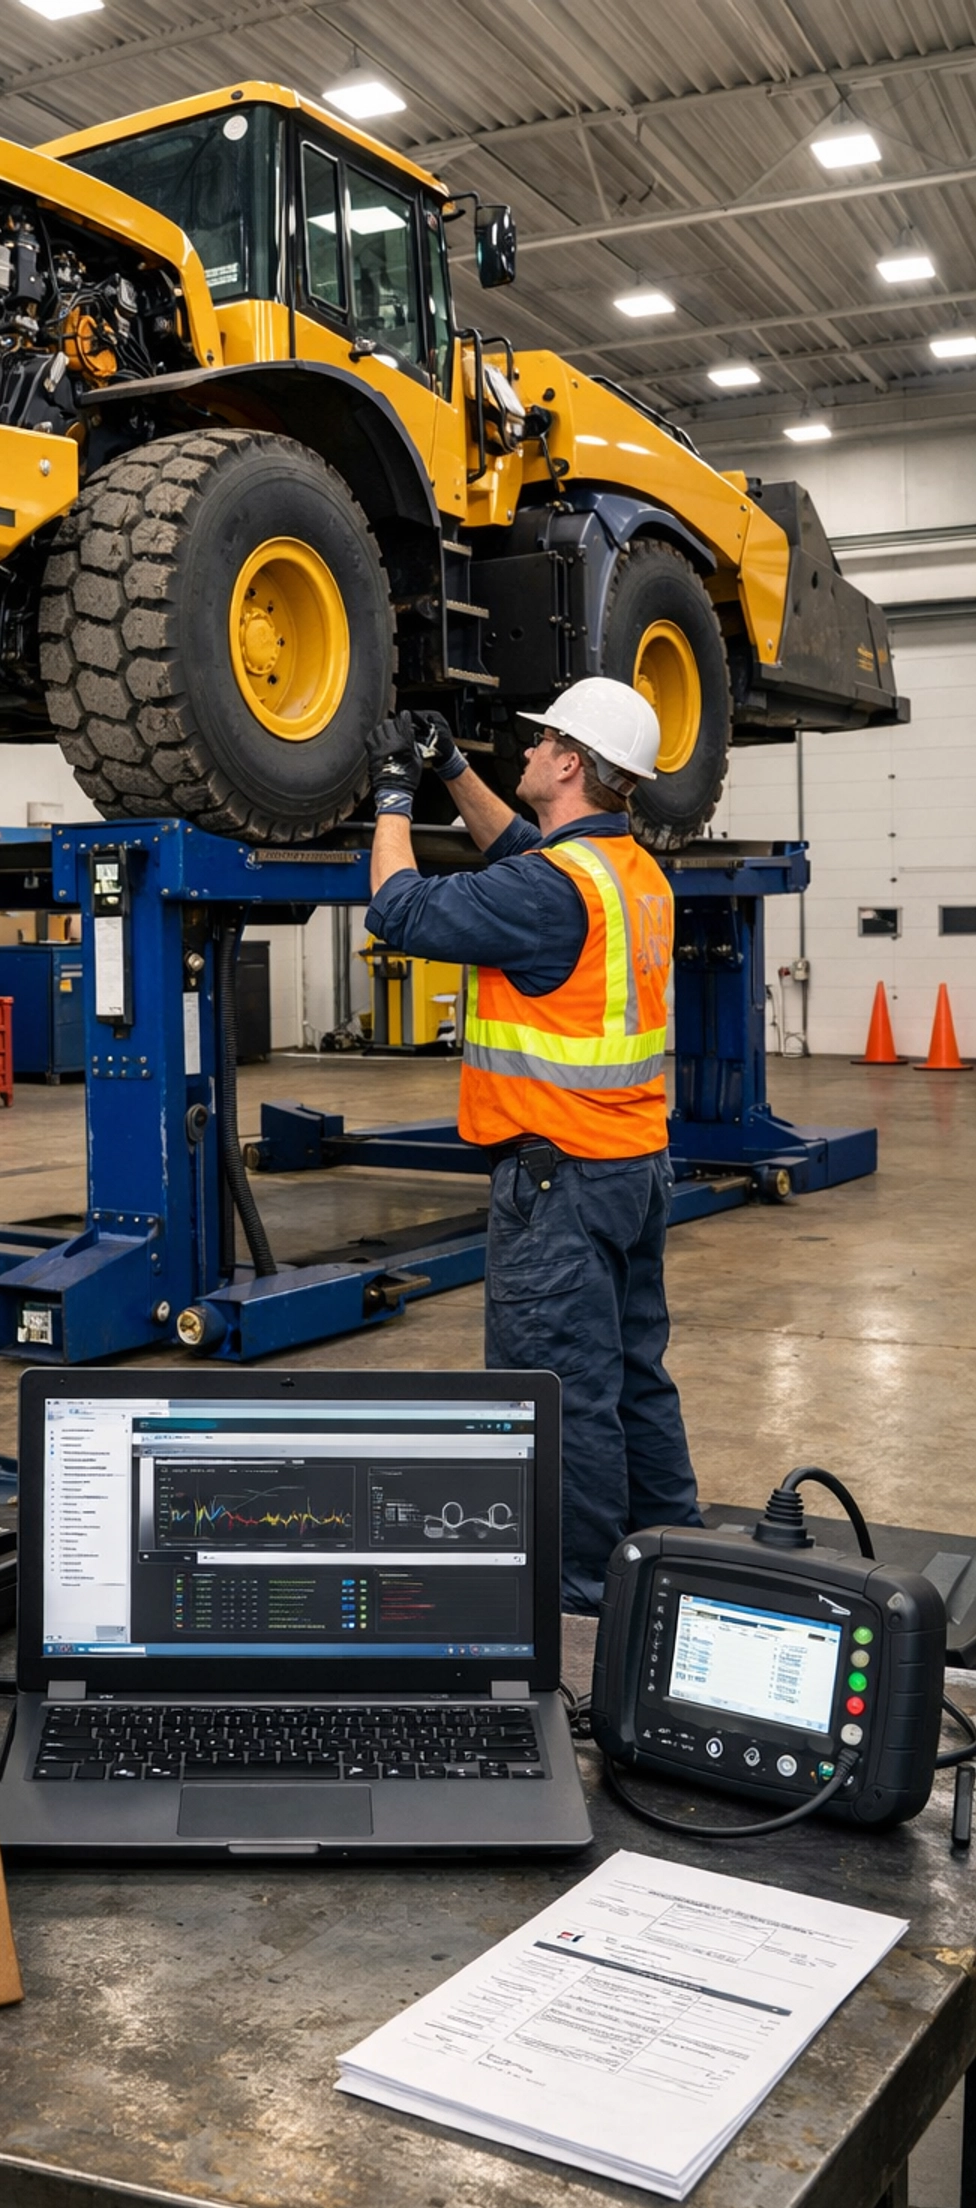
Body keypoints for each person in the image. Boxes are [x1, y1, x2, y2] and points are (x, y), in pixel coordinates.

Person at [364, 680, 703, 1611]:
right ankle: (676, 1561)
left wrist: (394, 795)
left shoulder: (553, 893)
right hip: (632, 1165)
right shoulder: (627, 872)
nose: (528, 750)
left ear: (568, 763)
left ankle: (584, 1604)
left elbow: (396, 911)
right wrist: (454, 771)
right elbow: (520, 850)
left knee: (558, 1396)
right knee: (635, 1378)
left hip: (559, 1182)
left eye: (541, 739)